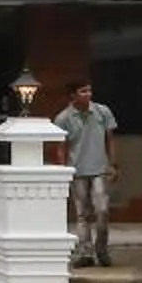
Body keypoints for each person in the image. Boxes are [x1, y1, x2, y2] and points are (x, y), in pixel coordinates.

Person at [54, 81, 119, 269]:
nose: (88, 94)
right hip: (77, 171)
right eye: (83, 91)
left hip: (100, 169)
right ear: (73, 95)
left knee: (102, 211)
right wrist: (63, 171)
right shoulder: (64, 118)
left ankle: (102, 249)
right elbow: (61, 147)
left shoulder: (101, 111)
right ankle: (85, 253)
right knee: (82, 214)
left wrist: (113, 164)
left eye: (89, 90)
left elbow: (110, 139)